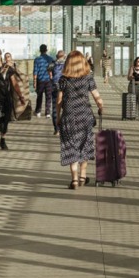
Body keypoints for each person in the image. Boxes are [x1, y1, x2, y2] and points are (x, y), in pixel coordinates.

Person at [56, 50, 105, 189]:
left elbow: (59, 101)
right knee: (85, 145)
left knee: (71, 146)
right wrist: (101, 107)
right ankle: (83, 177)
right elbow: (96, 96)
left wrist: (58, 117)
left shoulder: (63, 80)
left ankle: (74, 180)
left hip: (69, 116)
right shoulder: (88, 78)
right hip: (85, 116)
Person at [33, 44, 54, 118]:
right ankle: (47, 113)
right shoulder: (50, 59)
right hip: (48, 80)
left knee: (39, 96)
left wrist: (34, 82)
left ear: (40, 50)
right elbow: (52, 70)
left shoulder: (37, 59)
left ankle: (38, 112)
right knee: (48, 97)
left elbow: (35, 71)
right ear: (46, 50)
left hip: (40, 80)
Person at [52, 50, 66, 135]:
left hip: (55, 87)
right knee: (66, 107)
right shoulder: (68, 64)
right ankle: (64, 128)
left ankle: (57, 129)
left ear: (57, 56)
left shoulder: (53, 63)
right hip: (65, 87)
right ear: (64, 56)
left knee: (55, 107)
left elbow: (49, 72)